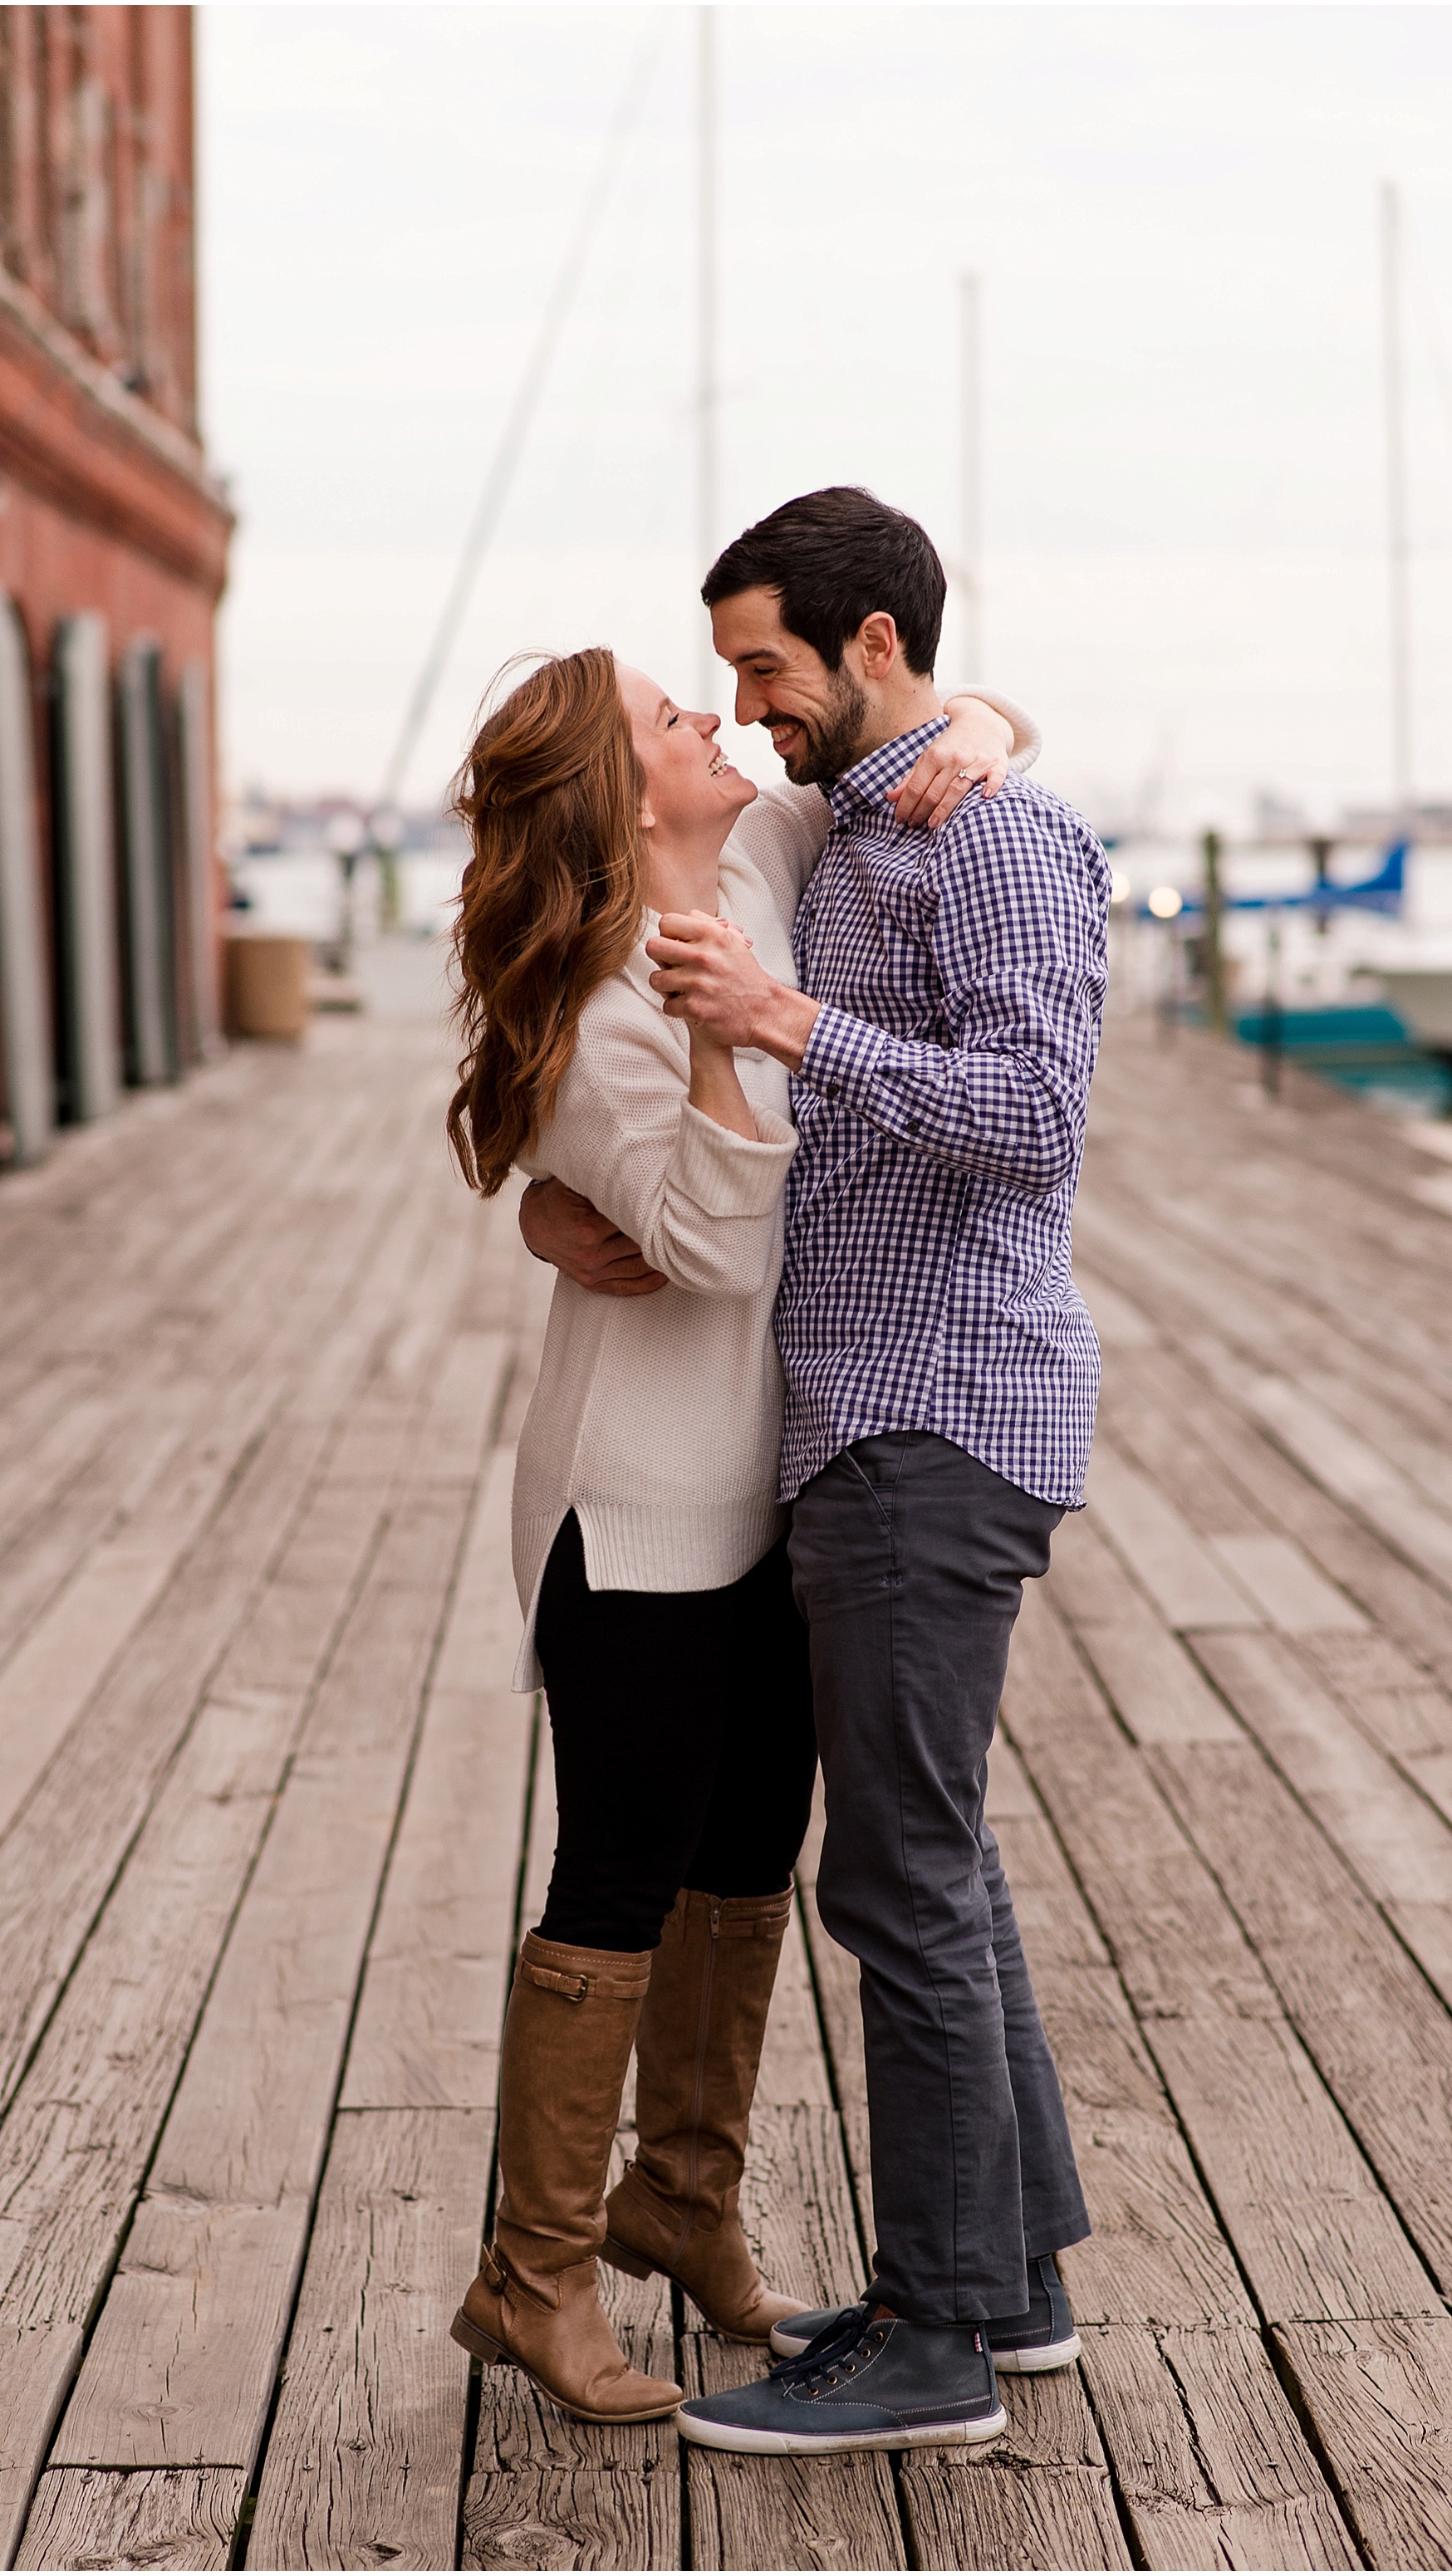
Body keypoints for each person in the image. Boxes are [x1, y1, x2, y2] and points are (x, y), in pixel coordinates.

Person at [522, 487, 1105, 2460]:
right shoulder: (830, 829)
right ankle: (999, 2287)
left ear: (868, 648)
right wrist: (551, 1197)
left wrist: (789, 1023)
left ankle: (939, 2335)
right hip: (833, 1426)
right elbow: (632, 1132)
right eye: (711, 686)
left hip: (927, 1413)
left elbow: (1033, 1122)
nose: (738, 708)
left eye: (762, 668)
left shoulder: (976, 837)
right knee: (927, 1861)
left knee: (897, 1875)